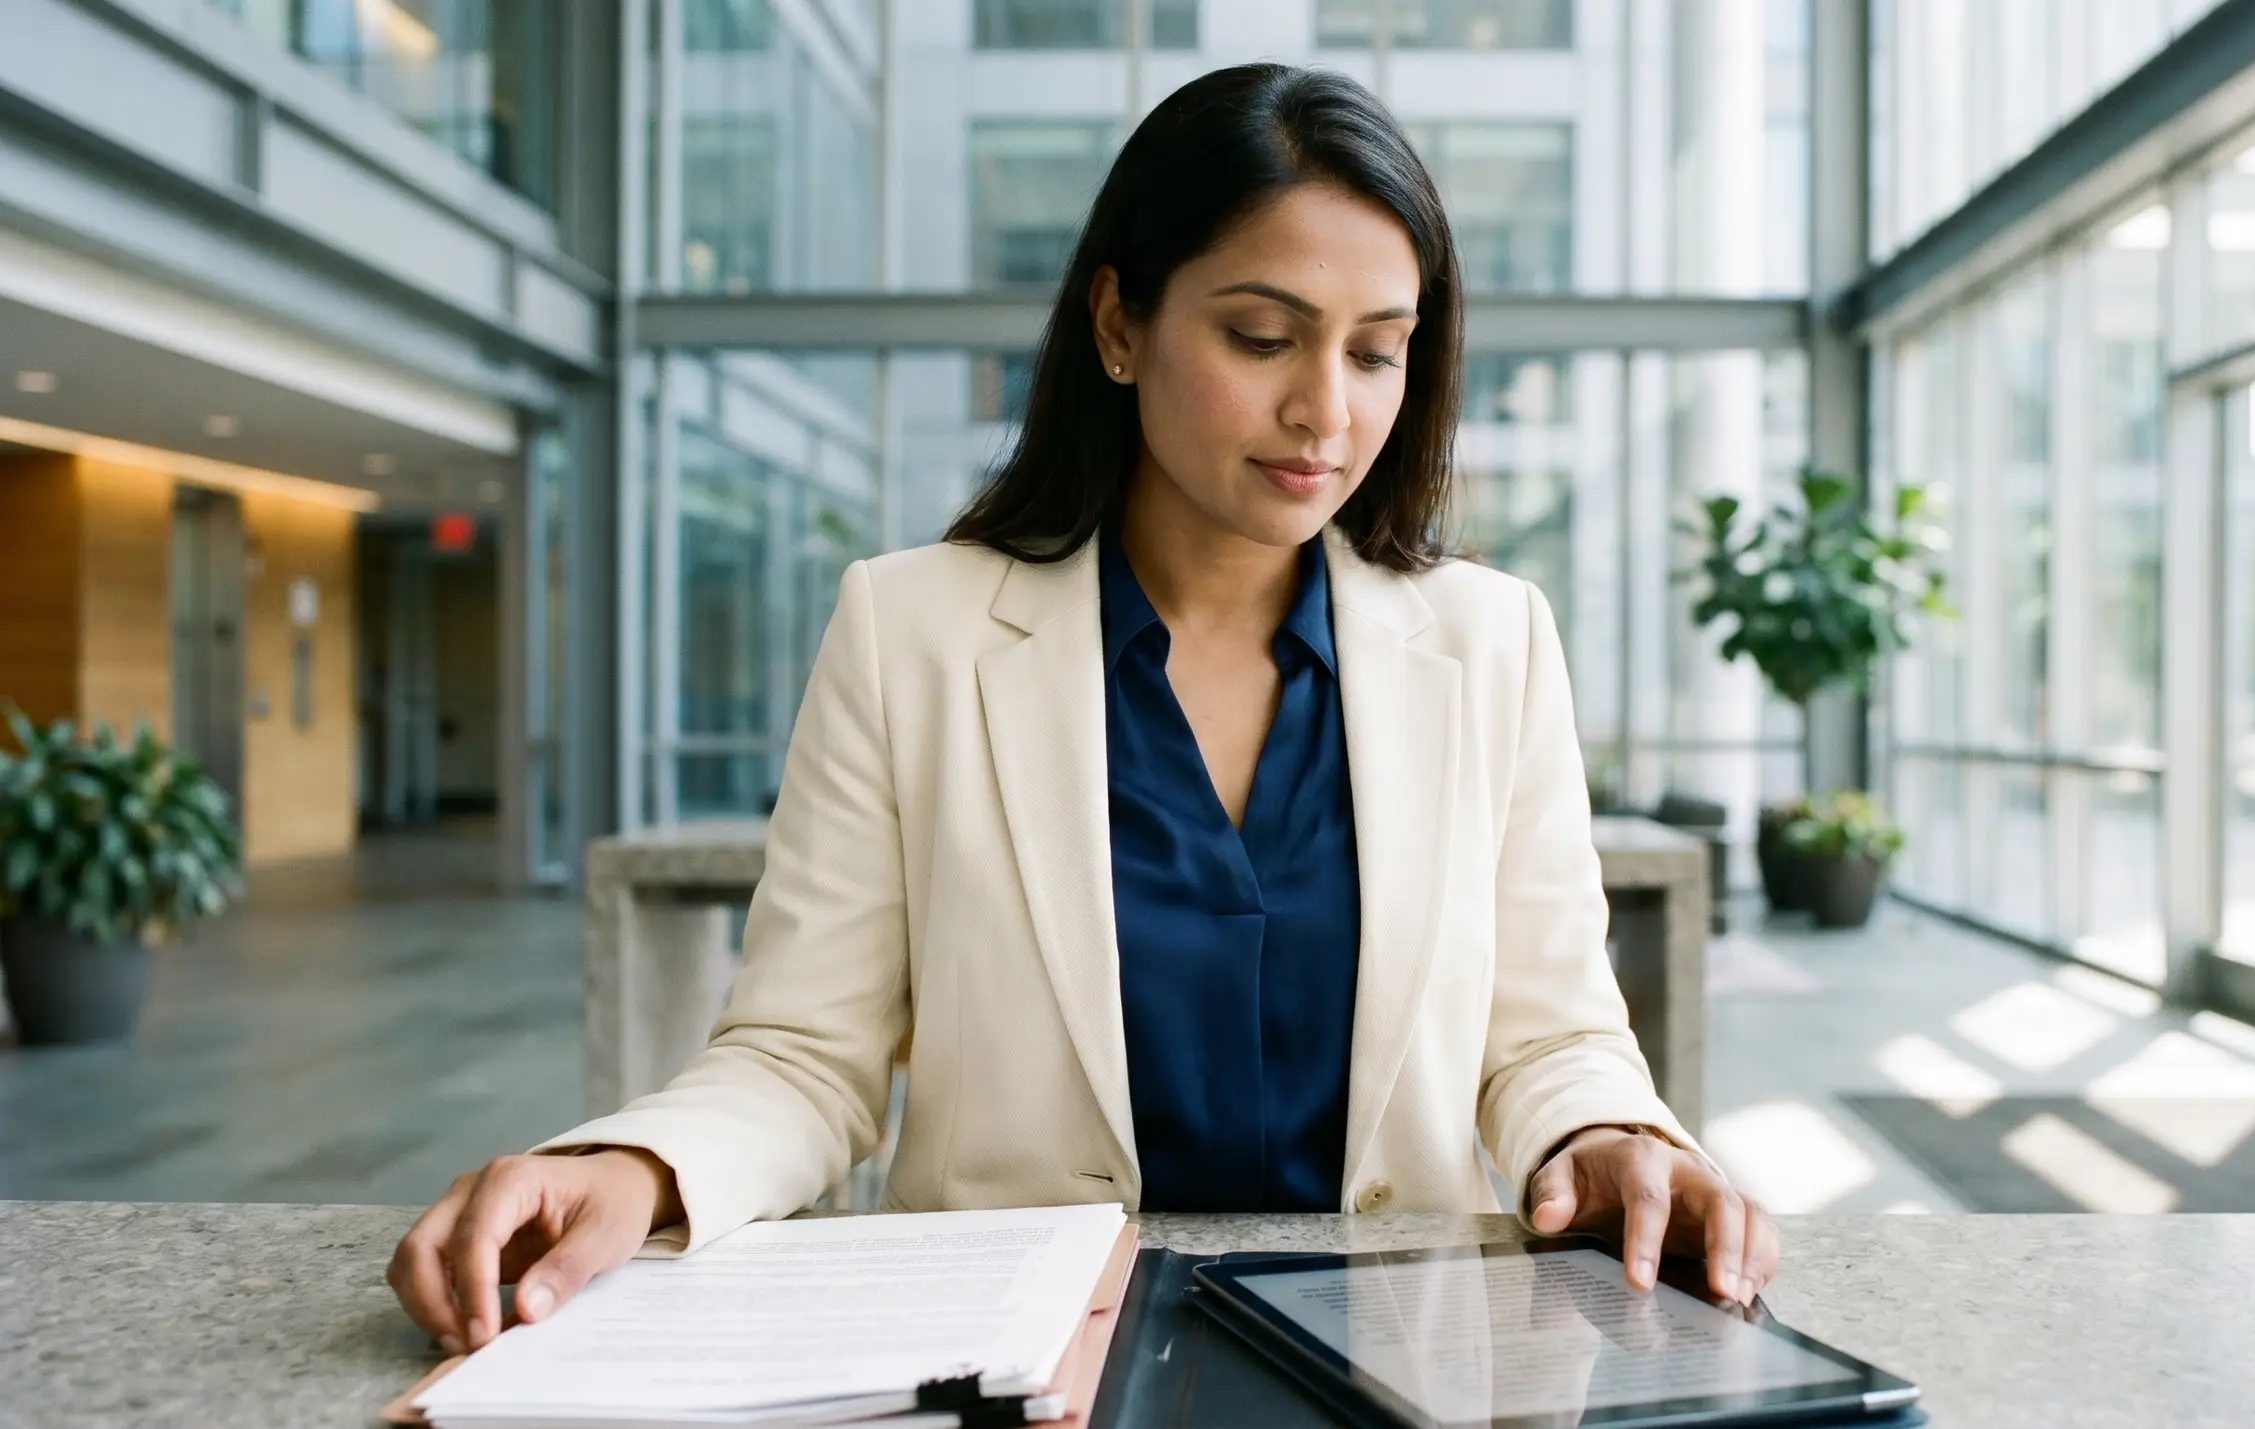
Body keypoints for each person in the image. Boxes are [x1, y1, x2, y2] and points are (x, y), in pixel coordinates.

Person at [388, 62, 1778, 1358]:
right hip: (1014, 1360)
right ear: (1120, 324)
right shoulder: (912, 631)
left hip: (1387, 1361)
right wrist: (636, 1165)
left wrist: (1605, 1132)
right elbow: (807, 1057)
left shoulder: (1490, 641)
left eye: (1376, 352)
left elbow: (1549, 1032)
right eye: (1262, 337)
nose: (1325, 413)